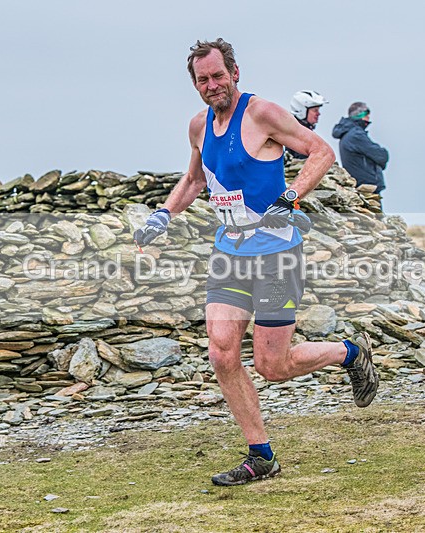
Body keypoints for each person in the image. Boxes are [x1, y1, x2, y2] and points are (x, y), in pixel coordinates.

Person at [133, 38, 379, 486]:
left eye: (218, 76)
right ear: (195, 83)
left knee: (273, 366)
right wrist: (162, 215)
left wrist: (290, 197)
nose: (212, 85)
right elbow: (193, 180)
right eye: (202, 79)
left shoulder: (262, 113)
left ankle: (350, 353)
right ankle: (260, 456)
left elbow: (320, 151)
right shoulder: (197, 127)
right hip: (230, 252)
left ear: (235, 73)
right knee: (221, 351)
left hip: (276, 253)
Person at [332, 102, 389, 194]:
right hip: (365, 187)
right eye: (366, 114)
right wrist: (383, 153)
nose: (368, 118)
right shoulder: (356, 135)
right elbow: (381, 155)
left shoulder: (347, 133)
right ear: (360, 115)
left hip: (358, 184)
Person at [286, 90, 328, 159]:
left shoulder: (301, 132)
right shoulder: (297, 135)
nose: (318, 114)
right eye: (315, 110)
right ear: (302, 110)